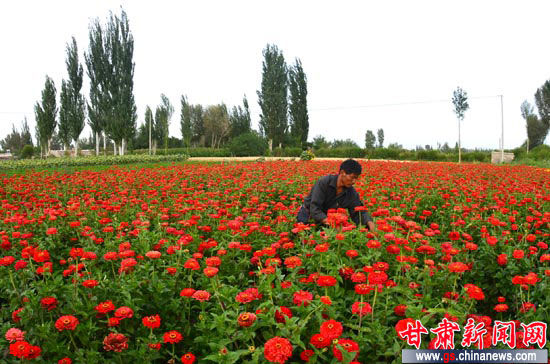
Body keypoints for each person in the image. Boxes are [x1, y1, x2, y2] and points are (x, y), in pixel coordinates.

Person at [297, 159, 375, 231]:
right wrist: (333, 225)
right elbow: (314, 208)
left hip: (329, 219)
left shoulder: (351, 192)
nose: (354, 181)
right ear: (342, 173)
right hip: (309, 214)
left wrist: (370, 223)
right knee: (304, 236)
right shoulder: (324, 182)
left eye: (356, 178)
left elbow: (358, 211)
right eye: (352, 177)